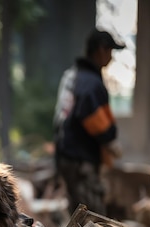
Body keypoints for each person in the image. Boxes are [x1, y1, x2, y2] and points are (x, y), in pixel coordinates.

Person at [53, 28, 125, 216]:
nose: (111, 57)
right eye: (110, 51)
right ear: (101, 50)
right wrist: (109, 140)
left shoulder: (73, 75)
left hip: (67, 156)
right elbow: (89, 114)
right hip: (80, 159)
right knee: (92, 217)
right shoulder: (90, 82)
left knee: (77, 213)